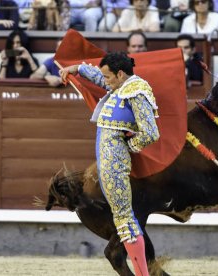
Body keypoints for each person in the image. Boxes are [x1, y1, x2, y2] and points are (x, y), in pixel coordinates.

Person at [59, 52, 160, 276]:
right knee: (123, 219)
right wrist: (76, 68)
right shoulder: (120, 87)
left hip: (115, 163)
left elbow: (151, 132)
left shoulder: (136, 91)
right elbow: (97, 75)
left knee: (125, 220)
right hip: (108, 162)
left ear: (120, 74)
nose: (104, 80)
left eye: (107, 77)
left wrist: (129, 146)